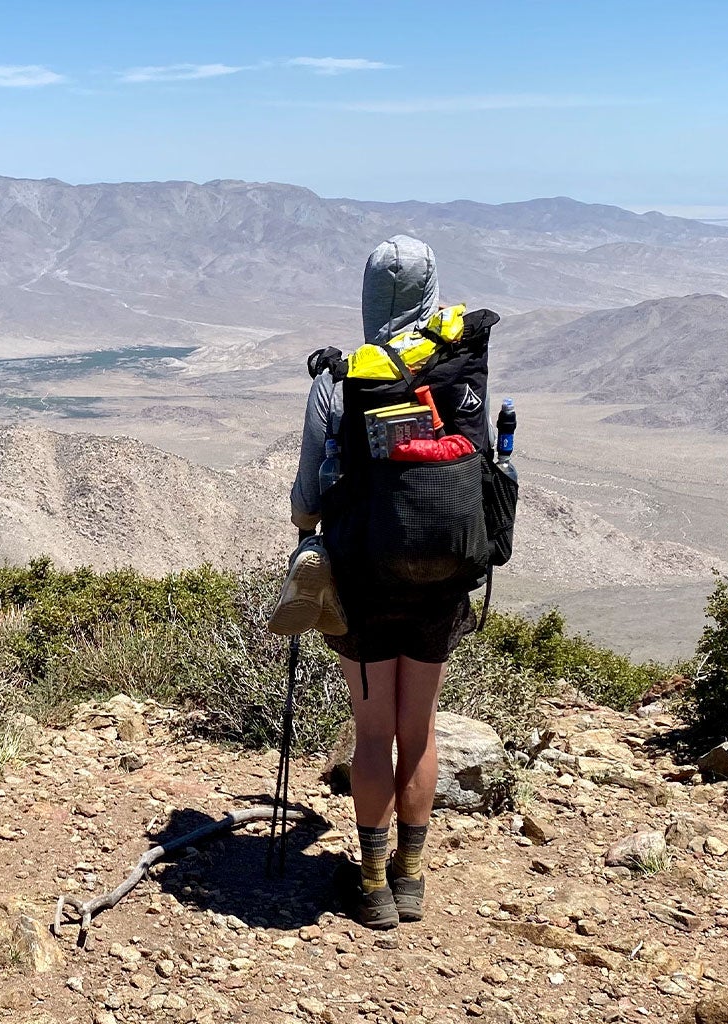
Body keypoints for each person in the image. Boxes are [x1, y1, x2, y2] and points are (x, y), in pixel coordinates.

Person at [288, 235, 483, 930]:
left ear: (369, 298)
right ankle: (412, 881)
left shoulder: (340, 380)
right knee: (419, 730)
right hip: (441, 581)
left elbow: (308, 496)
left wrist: (311, 529)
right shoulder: (459, 369)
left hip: (364, 584)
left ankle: (371, 887)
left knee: (373, 737)